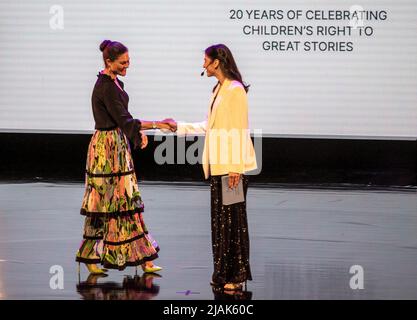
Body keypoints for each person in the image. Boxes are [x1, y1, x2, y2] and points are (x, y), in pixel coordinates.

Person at [165, 44, 257, 291]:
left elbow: (239, 128)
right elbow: (210, 125)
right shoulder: (218, 89)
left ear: (217, 62)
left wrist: (236, 168)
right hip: (219, 168)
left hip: (231, 170)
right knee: (220, 223)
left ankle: (236, 276)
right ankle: (223, 271)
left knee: (233, 222)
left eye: (205, 60)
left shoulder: (235, 90)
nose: (203, 65)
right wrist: (179, 127)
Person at [75, 40, 172, 274]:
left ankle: (140, 258)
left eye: (128, 61)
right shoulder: (105, 86)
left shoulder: (114, 82)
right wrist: (157, 124)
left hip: (115, 144)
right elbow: (124, 119)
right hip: (107, 150)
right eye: (123, 62)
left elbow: (124, 119)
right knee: (112, 203)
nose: (128, 65)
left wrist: (137, 133)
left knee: (121, 202)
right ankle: (109, 257)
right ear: (109, 62)